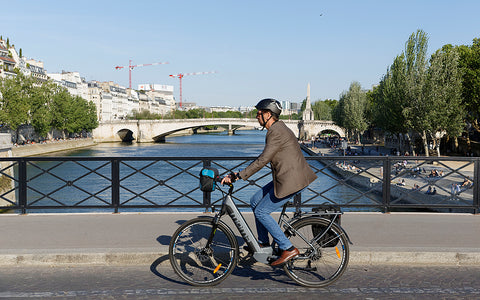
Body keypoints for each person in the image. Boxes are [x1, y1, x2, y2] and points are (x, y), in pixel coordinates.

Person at [221, 98, 317, 266]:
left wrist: (240, 175)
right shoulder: (277, 129)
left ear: (268, 115)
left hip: (291, 180)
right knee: (254, 201)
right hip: (286, 178)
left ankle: (288, 248)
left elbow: (263, 159)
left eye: (259, 113)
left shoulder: (276, 131)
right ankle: (263, 243)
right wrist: (241, 173)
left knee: (261, 212)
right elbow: (265, 159)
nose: (256, 117)